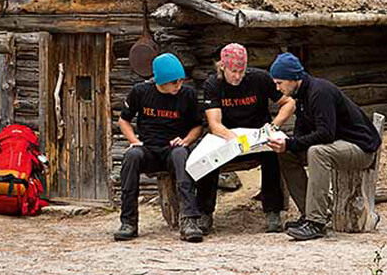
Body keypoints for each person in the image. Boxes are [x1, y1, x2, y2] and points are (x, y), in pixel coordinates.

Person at [265, 52, 382, 241]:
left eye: (280, 83)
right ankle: (308, 214)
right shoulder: (300, 96)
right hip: (337, 146)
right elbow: (303, 134)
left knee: (317, 152)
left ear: (294, 78)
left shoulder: (319, 92)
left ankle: (316, 222)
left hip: (361, 148)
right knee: (286, 154)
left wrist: (291, 142)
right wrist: (287, 144)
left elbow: (325, 133)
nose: (277, 88)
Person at [197, 43, 295, 234]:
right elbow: (214, 123)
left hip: (258, 136)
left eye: (241, 71)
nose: (237, 76)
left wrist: (274, 126)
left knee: (273, 153)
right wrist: (233, 138)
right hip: (227, 137)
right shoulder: (213, 85)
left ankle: (272, 211)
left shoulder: (259, 78)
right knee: (208, 158)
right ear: (222, 67)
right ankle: (204, 212)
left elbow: (288, 103)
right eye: (233, 71)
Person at [115, 53, 205, 243]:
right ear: (161, 80)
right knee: (131, 157)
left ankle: (189, 221)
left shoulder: (187, 95)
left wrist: (186, 140)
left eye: (180, 81)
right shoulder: (140, 92)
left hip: (172, 150)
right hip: (147, 149)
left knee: (182, 155)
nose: (178, 86)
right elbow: (123, 120)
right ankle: (128, 222)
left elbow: (198, 126)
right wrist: (134, 141)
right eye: (174, 83)